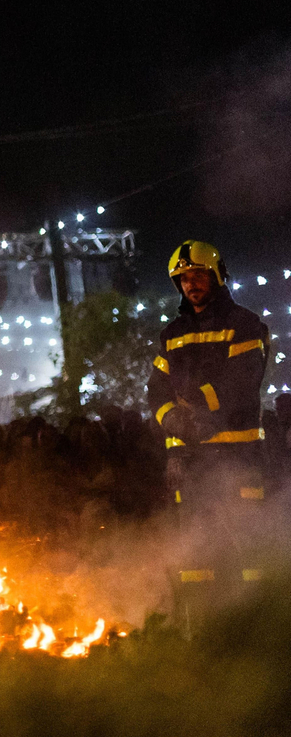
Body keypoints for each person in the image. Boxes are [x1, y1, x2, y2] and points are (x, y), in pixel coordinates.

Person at [146, 240, 270, 599]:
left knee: (247, 550)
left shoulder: (244, 324)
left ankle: (259, 622)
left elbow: (241, 382)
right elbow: (156, 391)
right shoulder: (171, 335)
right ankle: (201, 624)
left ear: (216, 275)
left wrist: (196, 409)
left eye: (198, 275)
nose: (191, 284)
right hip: (189, 460)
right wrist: (174, 423)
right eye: (184, 279)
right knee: (196, 554)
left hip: (238, 456)